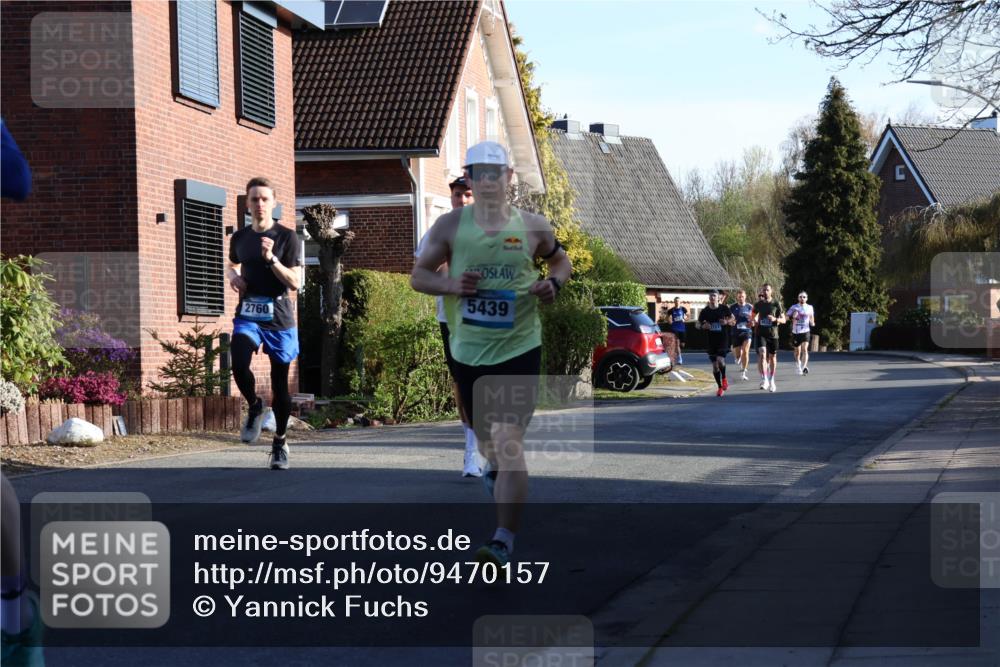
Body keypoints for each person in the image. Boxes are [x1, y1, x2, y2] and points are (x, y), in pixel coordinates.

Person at [411, 141, 571, 567]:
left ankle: (502, 539)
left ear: (508, 178)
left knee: (508, 440)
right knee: (485, 439)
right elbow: (419, 276)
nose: (485, 181)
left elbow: (561, 262)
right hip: (468, 349)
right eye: (476, 173)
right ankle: (494, 470)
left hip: (520, 347)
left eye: (492, 173)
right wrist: (450, 285)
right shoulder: (448, 226)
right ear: (470, 179)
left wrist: (552, 285)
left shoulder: (534, 226)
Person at [226, 177, 302, 470]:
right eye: (254, 199)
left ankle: (280, 442)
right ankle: (255, 406)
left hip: (280, 318)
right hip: (248, 314)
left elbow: (294, 281)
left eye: (264, 199)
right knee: (238, 361)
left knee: (280, 383)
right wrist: (234, 278)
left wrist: (271, 259)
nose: (259, 204)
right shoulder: (241, 238)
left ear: (273, 203)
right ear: (247, 204)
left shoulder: (287, 238)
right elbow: (231, 263)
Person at [414, 176, 480, 477]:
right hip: (451, 318)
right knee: (463, 384)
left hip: (488, 317)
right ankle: (471, 451)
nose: (462, 201)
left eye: (468, 195)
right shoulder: (438, 232)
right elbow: (420, 274)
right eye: (457, 195)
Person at [698, 290, 734, 397]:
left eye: (714, 296)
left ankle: (724, 378)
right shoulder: (705, 311)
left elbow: (733, 318)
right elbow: (697, 323)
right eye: (710, 296)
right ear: (709, 298)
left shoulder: (724, 308)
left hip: (723, 339)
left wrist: (726, 322)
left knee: (720, 360)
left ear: (718, 297)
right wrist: (702, 326)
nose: (712, 298)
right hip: (711, 340)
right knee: (714, 366)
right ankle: (719, 388)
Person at [752, 283, 785, 393]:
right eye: (764, 290)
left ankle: (772, 380)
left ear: (771, 291)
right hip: (761, 333)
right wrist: (752, 320)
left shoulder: (776, 304)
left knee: (772, 358)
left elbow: (783, 320)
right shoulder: (758, 304)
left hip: (773, 335)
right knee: (762, 353)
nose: (765, 292)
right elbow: (751, 316)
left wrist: (775, 319)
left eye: (767, 290)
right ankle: (765, 379)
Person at [786, 291, 816, 375]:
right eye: (800, 297)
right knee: (797, 351)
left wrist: (812, 322)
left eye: (804, 297)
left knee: (805, 349)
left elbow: (811, 318)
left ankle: (804, 367)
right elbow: (786, 317)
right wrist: (793, 316)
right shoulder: (794, 307)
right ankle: (798, 364)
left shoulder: (810, 307)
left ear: (807, 298)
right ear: (798, 298)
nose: (802, 298)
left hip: (805, 331)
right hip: (796, 332)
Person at [730, 289, 754, 380]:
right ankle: (734, 352)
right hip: (736, 333)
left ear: (745, 297)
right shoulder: (732, 307)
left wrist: (752, 321)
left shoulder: (750, 307)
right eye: (739, 297)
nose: (741, 298)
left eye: (742, 296)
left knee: (745, 351)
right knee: (738, 356)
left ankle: (743, 371)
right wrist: (731, 321)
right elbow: (728, 319)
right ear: (737, 297)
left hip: (747, 332)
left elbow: (755, 320)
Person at [664, 297, 688, 365]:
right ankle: (680, 358)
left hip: (682, 329)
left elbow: (688, 316)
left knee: (682, 345)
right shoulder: (671, 310)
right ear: (674, 302)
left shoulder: (683, 309)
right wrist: (670, 321)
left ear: (680, 302)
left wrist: (685, 319)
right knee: (677, 343)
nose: (677, 302)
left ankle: (677, 350)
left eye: (678, 301)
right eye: (676, 301)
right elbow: (666, 317)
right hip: (675, 328)